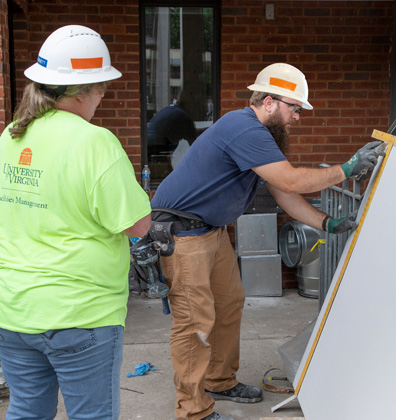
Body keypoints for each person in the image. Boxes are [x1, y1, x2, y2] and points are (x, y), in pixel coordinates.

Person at [150, 62, 383, 420]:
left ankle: (219, 380)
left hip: (212, 232)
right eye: (294, 108)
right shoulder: (243, 128)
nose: (298, 117)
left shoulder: (261, 135)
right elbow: (290, 181)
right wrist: (348, 168)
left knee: (229, 304)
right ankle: (193, 410)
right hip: (183, 235)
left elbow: (282, 191)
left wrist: (327, 222)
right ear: (270, 101)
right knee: (194, 323)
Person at [0, 25, 151, 420]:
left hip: (7, 309)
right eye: (102, 88)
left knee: (26, 410)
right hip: (75, 315)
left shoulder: (11, 135)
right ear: (81, 90)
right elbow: (137, 224)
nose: (102, 97)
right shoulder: (95, 142)